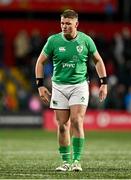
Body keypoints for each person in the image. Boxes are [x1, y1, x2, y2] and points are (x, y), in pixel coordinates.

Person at [35, 9, 107, 172]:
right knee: (62, 126)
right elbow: (40, 62)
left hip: (79, 86)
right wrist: (40, 85)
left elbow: (98, 61)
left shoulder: (86, 40)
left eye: (68, 23)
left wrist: (104, 83)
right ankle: (65, 161)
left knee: (76, 121)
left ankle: (76, 161)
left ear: (76, 24)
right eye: (62, 23)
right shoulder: (53, 41)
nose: (64, 26)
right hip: (59, 87)